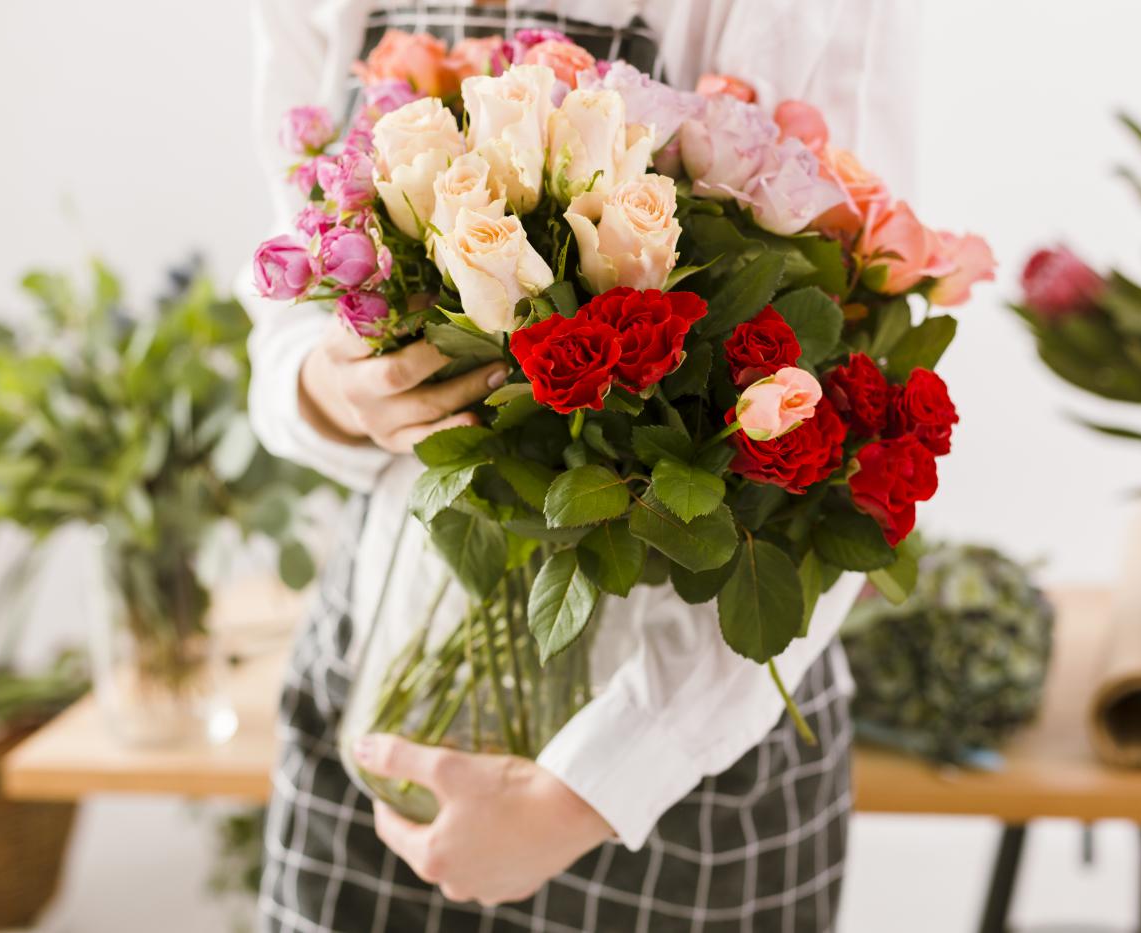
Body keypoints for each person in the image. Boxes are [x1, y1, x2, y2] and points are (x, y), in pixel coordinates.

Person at [241, 2, 919, 930]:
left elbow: (844, 416)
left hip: (670, 778)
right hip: (380, 683)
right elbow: (288, 313)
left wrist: (586, 789)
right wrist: (329, 389)